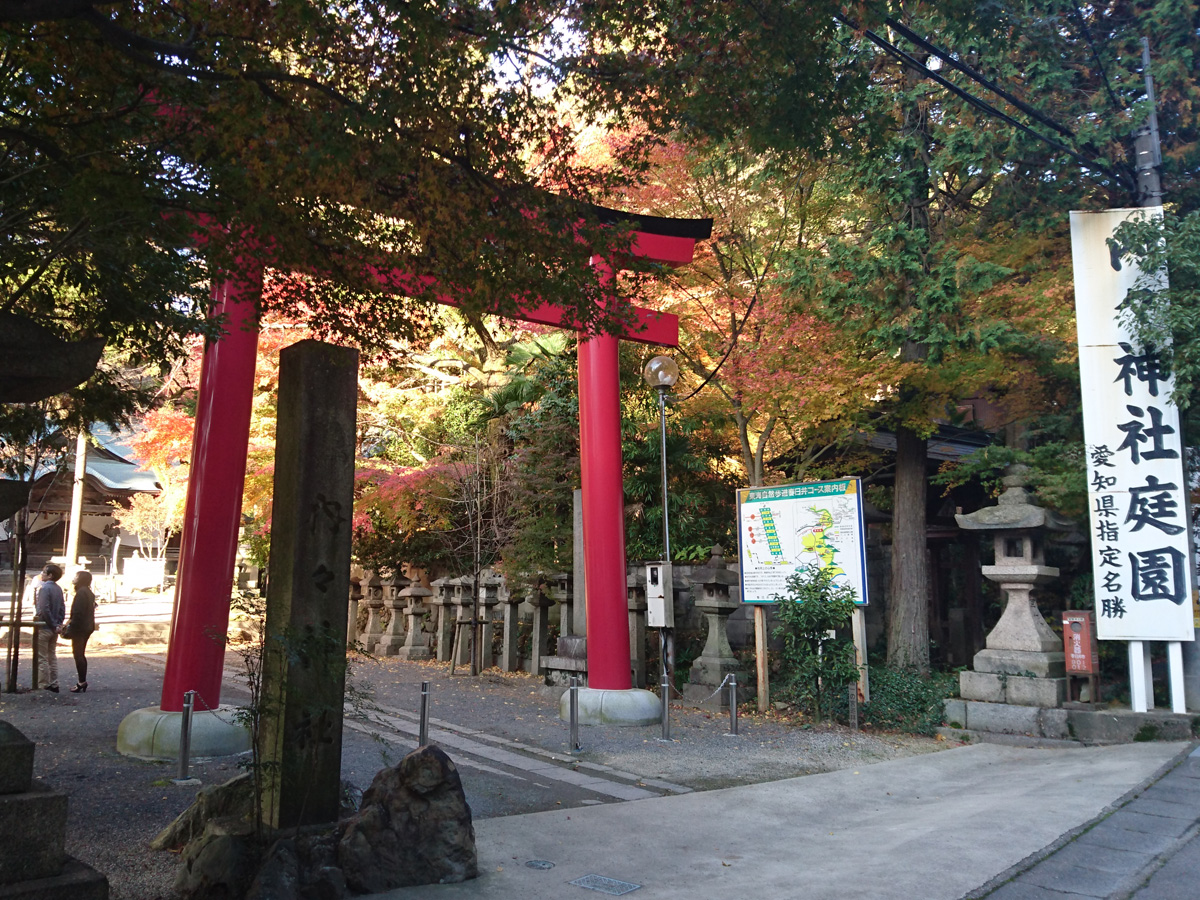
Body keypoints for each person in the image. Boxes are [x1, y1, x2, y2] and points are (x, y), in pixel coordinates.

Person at [33, 563, 65, 693]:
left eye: (44, 572)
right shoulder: (58, 589)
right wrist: (58, 624)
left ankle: (43, 683)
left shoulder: (44, 588)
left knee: (42, 657)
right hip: (54, 627)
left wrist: (52, 623)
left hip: (44, 626)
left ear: (50, 575)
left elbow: (44, 608)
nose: (42, 574)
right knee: (52, 656)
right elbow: (62, 608)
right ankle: (54, 682)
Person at [64, 569, 97, 693]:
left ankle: (82, 681)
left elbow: (77, 613)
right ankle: (82, 681)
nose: (74, 578)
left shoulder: (81, 593)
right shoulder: (88, 592)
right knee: (80, 653)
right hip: (87, 626)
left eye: (76, 576)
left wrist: (70, 626)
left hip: (80, 628)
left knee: (78, 654)